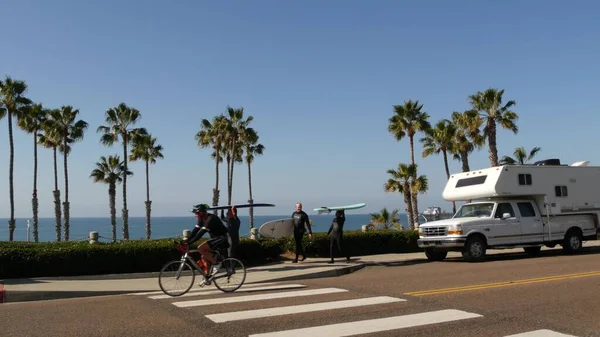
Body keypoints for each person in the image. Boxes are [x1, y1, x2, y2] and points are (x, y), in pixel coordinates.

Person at [184, 204, 230, 274]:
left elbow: (200, 234)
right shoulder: (202, 219)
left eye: (196, 213)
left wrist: (189, 243)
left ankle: (216, 263)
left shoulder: (210, 219)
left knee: (200, 248)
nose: (195, 215)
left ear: (201, 213)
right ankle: (207, 277)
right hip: (216, 239)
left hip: (221, 239)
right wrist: (185, 241)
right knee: (204, 257)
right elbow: (195, 231)